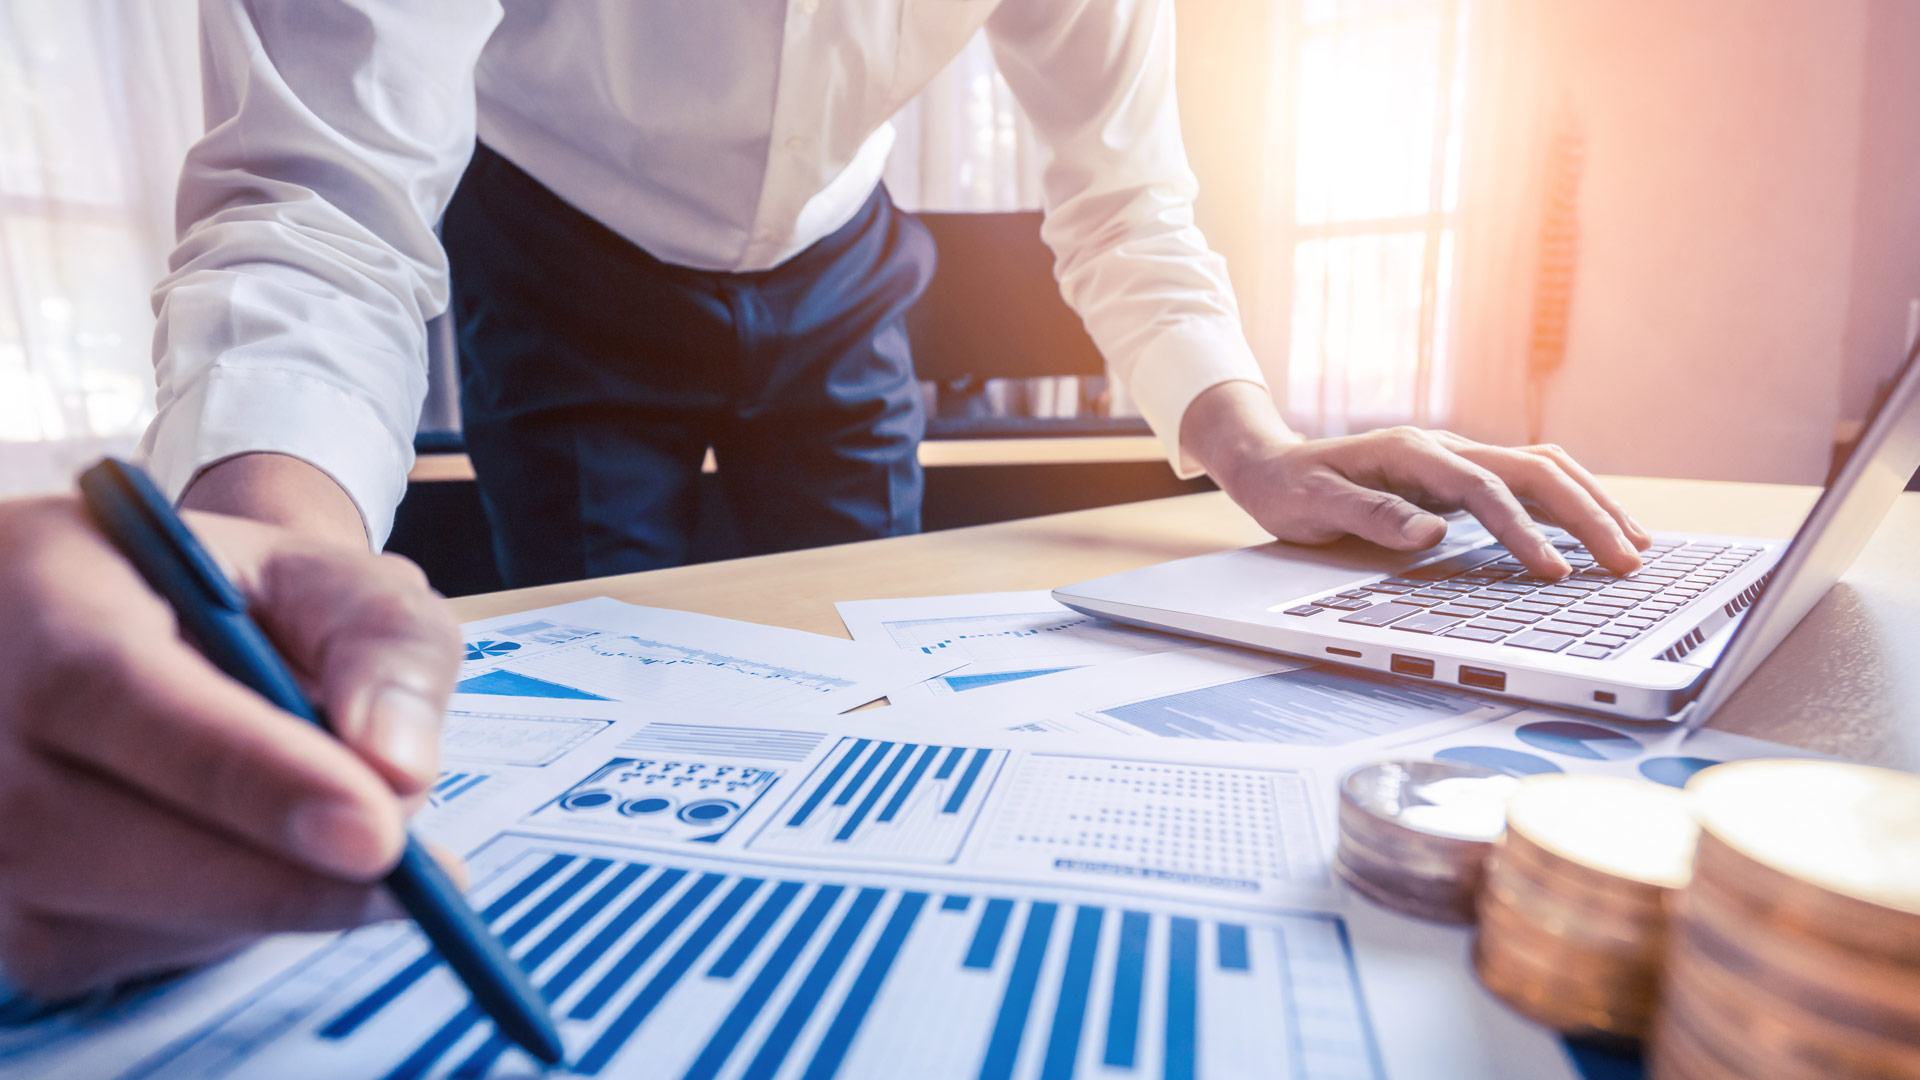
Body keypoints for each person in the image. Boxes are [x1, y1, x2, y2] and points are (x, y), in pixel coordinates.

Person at [0, 0, 1650, 997]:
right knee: (614, 694)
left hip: (847, 272)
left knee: (879, 685)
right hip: (558, 248)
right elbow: (320, 201)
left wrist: (1258, 446)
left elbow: (1130, 191)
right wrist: (271, 569)